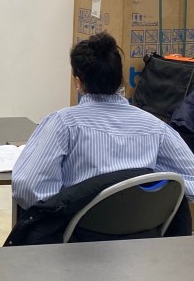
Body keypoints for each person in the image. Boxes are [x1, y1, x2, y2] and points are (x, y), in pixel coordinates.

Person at [12, 32, 194, 210]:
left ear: (78, 82)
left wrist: (67, 204)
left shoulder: (63, 123)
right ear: (120, 79)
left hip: (77, 228)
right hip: (143, 228)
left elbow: (27, 188)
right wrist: (154, 188)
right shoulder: (156, 127)